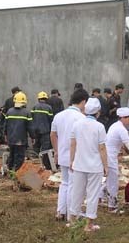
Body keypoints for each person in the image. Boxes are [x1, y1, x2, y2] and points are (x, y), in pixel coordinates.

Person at [68, 98, 108, 232]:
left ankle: (73, 220)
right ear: (98, 112)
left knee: (77, 193)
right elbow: (102, 148)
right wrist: (106, 166)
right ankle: (89, 224)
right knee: (92, 195)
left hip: (79, 164)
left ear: (85, 110)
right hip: (94, 166)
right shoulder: (100, 127)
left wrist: (71, 161)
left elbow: (73, 144)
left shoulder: (77, 124)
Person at [50, 89, 88, 221]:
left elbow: (53, 134)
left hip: (62, 154)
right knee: (74, 185)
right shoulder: (81, 118)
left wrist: (56, 151)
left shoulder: (59, 115)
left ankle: (60, 211)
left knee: (64, 183)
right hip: (76, 156)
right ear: (83, 102)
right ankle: (71, 215)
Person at [5, 92, 34, 171]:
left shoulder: (9, 112)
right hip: (21, 139)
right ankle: (17, 172)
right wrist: (33, 137)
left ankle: (9, 169)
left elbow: (5, 125)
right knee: (20, 156)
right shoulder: (27, 113)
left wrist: (5, 135)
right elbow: (30, 127)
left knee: (12, 154)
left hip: (11, 138)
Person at [31, 91, 53, 169]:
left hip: (35, 130)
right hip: (45, 130)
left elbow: (31, 118)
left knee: (36, 146)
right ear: (46, 99)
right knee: (45, 148)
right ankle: (44, 164)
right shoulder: (49, 108)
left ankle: (34, 163)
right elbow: (51, 120)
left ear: (38, 99)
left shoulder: (34, 107)